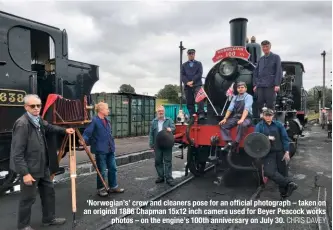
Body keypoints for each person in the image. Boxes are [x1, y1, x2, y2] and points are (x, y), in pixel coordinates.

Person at [10, 94, 74, 230]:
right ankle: (23, 226)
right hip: (30, 169)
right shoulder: (23, 124)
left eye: (38, 105)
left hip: (43, 166)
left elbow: (50, 127)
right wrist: (25, 173)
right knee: (28, 199)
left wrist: (64, 130)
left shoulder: (38, 119)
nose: (36, 108)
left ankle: (49, 219)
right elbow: (17, 153)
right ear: (26, 107)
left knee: (49, 193)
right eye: (33, 106)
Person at [81, 102, 124, 197]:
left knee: (113, 168)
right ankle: (101, 189)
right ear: (101, 110)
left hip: (110, 148)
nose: (108, 110)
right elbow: (87, 132)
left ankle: (113, 186)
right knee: (102, 170)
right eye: (107, 109)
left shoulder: (107, 120)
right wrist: (83, 139)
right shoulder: (94, 121)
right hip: (100, 150)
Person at [255, 108, 298, 199]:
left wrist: (287, 152)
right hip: (268, 153)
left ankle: (283, 194)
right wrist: (266, 138)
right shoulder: (259, 126)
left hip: (280, 152)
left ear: (273, 116)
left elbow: (285, 138)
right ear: (263, 115)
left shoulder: (278, 125)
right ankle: (289, 183)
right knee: (268, 172)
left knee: (283, 173)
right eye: (266, 115)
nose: (268, 117)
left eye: (269, 115)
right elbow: (256, 139)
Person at [218, 82, 253, 151]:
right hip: (236, 117)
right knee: (223, 125)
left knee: (242, 125)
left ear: (245, 89)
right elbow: (230, 109)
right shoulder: (235, 97)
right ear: (237, 89)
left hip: (247, 117)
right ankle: (229, 142)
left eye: (242, 87)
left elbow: (246, 108)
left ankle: (236, 143)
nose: (240, 89)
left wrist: (242, 119)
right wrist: (225, 118)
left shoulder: (248, 97)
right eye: (239, 88)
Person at [253, 40, 283, 114]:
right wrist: (255, 84)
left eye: (267, 46)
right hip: (260, 85)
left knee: (270, 104)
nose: (265, 48)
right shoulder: (260, 59)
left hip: (271, 85)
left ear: (270, 47)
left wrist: (277, 84)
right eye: (263, 47)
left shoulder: (276, 57)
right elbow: (256, 72)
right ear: (262, 48)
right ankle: (261, 119)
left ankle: (270, 121)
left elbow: (278, 71)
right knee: (259, 103)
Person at [149, 105, 176, 186]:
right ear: (157, 112)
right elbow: (151, 134)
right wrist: (151, 144)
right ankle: (161, 177)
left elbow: (174, 128)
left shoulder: (169, 120)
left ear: (164, 112)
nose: (161, 112)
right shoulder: (154, 122)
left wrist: (170, 129)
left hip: (167, 143)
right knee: (158, 161)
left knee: (168, 161)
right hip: (157, 144)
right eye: (159, 111)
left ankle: (169, 178)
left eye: (162, 111)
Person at [181, 49, 205, 120]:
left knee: (200, 98)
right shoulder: (183, 65)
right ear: (187, 55)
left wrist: (192, 81)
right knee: (189, 101)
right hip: (187, 85)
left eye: (193, 53)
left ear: (194, 54)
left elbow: (199, 73)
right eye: (190, 53)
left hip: (197, 84)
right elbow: (182, 75)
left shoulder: (199, 63)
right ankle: (192, 114)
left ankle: (201, 113)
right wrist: (187, 82)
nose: (191, 55)